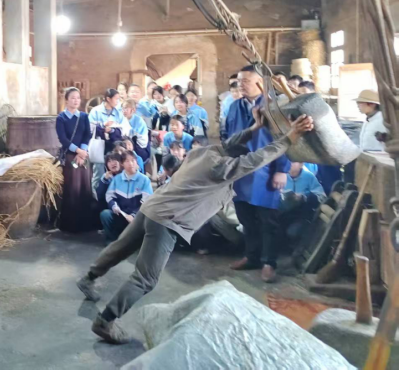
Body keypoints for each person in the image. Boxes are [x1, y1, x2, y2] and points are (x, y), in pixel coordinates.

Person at [76, 111, 315, 344]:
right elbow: (257, 159)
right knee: (145, 279)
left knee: (121, 247)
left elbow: (230, 144)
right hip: (168, 220)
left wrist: (253, 129)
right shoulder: (223, 169)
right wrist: (289, 138)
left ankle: (88, 278)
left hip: (152, 207)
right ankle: (106, 321)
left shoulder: (204, 152)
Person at [225, 66, 291, 284]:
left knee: (267, 220)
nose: (240, 85)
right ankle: (251, 257)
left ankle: (269, 263)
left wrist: (282, 169)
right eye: (239, 81)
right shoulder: (235, 106)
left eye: (246, 81)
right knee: (246, 217)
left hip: (266, 170)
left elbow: (287, 139)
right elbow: (228, 136)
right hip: (240, 170)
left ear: (260, 83)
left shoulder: (274, 106)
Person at [56, 88, 96, 233]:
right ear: (66, 100)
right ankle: (71, 225)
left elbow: (87, 135)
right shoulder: (61, 118)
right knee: (73, 188)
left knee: (85, 186)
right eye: (73, 98)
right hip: (70, 156)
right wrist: (78, 151)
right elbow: (63, 139)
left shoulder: (84, 116)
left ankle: (86, 224)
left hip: (83, 156)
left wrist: (82, 152)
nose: (76, 100)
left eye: (78, 98)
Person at [100, 151, 154, 243]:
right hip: (121, 214)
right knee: (105, 214)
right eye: (127, 161)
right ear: (122, 164)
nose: (131, 164)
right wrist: (114, 206)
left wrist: (133, 215)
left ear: (136, 162)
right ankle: (112, 241)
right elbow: (110, 196)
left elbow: (146, 201)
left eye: (133, 160)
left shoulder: (144, 180)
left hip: (137, 216)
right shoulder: (117, 179)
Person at [89, 89, 125, 191]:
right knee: (99, 173)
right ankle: (96, 196)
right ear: (108, 99)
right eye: (116, 99)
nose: (118, 101)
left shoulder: (118, 113)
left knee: (115, 173)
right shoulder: (95, 111)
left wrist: (112, 130)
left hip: (113, 147)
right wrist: (102, 126)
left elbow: (123, 130)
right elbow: (89, 128)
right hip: (99, 147)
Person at [121, 99, 151, 164]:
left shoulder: (139, 121)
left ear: (133, 110)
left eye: (126, 108)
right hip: (129, 145)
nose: (124, 111)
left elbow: (141, 140)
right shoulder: (123, 119)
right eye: (123, 108)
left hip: (140, 148)